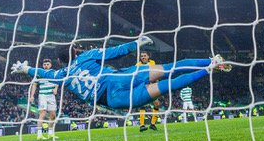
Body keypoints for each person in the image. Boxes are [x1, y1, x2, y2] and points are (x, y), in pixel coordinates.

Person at [12, 36, 228, 113]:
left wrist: (25, 69)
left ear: (60, 60)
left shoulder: (61, 74)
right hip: (121, 76)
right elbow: (114, 52)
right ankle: (212, 61)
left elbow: (43, 74)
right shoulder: (86, 55)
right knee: (171, 68)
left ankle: (208, 69)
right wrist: (136, 43)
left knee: (169, 86)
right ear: (75, 51)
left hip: (113, 99)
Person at [30, 57, 60, 140]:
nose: (46, 66)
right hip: (42, 96)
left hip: (51, 96)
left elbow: (58, 81)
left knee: (53, 115)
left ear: (50, 65)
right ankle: (39, 135)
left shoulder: (53, 73)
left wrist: (55, 88)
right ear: (42, 65)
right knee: (42, 114)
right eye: (44, 64)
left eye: (47, 64)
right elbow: (34, 85)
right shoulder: (39, 73)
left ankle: (50, 134)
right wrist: (32, 96)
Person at [135, 52, 161, 132]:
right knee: (144, 104)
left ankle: (152, 124)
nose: (143, 57)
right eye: (142, 56)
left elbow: (155, 73)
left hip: (152, 86)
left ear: (148, 57)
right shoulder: (137, 65)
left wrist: (156, 82)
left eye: (145, 56)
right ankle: (142, 125)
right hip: (143, 87)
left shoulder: (152, 63)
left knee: (156, 104)